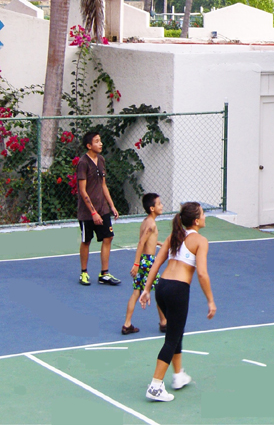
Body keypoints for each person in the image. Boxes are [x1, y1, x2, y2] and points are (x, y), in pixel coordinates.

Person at [140, 202, 216, 401]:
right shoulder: (200, 241)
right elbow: (202, 273)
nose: (205, 216)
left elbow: (157, 263)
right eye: (203, 214)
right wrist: (210, 300)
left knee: (176, 329)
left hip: (162, 287)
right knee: (172, 338)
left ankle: (178, 375)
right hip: (177, 290)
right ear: (197, 220)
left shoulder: (173, 236)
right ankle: (155, 386)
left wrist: (147, 289)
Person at [76, 130, 120, 286]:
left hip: (103, 209)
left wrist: (112, 206)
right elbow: (82, 190)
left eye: (100, 141)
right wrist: (93, 212)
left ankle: (104, 274)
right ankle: (84, 273)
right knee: (86, 241)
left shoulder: (101, 160)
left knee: (108, 237)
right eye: (96, 141)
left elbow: (103, 185)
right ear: (89, 145)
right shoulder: (83, 163)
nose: (100, 143)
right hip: (87, 213)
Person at [121, 193, 168, 335]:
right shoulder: (151, 224)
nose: (162, 206)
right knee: (159, 291)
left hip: (143, 261)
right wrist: (136, 264)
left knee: (136, 292)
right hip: (147, 262)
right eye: (159, 204)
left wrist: (161, 243)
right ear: (152, 208)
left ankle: (127, 324)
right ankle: (164, 323)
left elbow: (149, 241)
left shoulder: (146, 221)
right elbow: (142, 242)